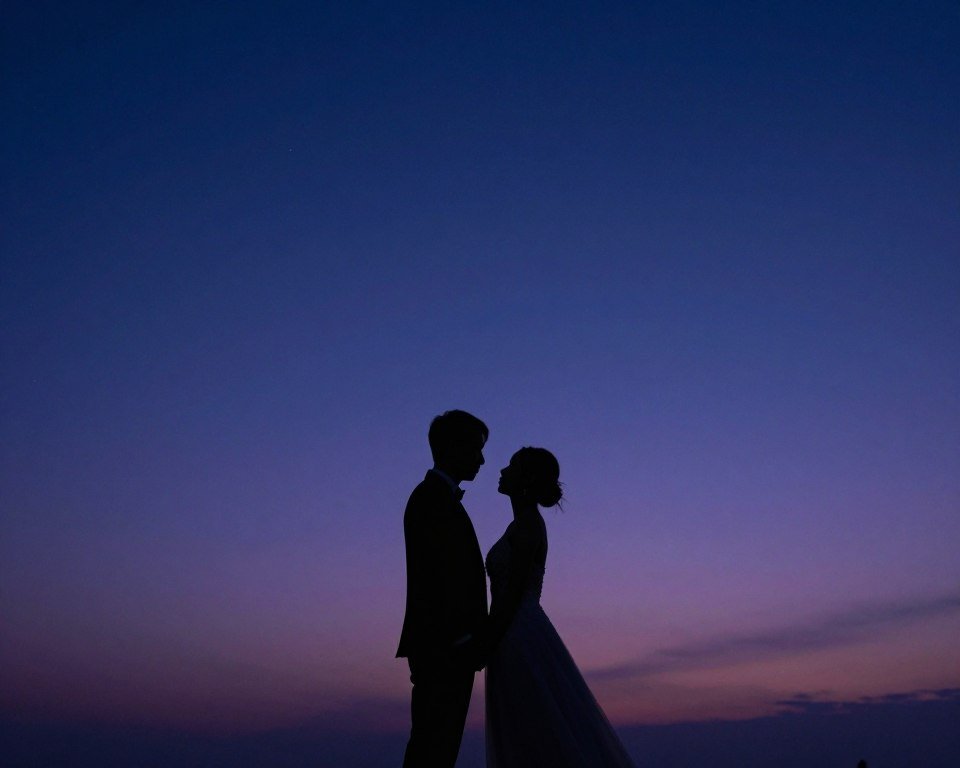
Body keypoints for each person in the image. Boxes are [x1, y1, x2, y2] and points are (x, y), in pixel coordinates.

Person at [485, 447, 635, 768]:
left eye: (511, 466)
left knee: (531, 726)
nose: (502, 471)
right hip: (513, 630)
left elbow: (513, 593)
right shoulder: (521, 524)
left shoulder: (528, 525)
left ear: (525, 480)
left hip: (517, 634)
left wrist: (487, 640)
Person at [397, 410, 490, 768]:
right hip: (444, 649)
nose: (482, 460)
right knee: (433, 749)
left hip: (447, 648)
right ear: (452, 447)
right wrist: (463, 639)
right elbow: (439, 577)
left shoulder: (437, 497)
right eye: (476, 449)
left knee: (438, 748)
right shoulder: (430, 499)